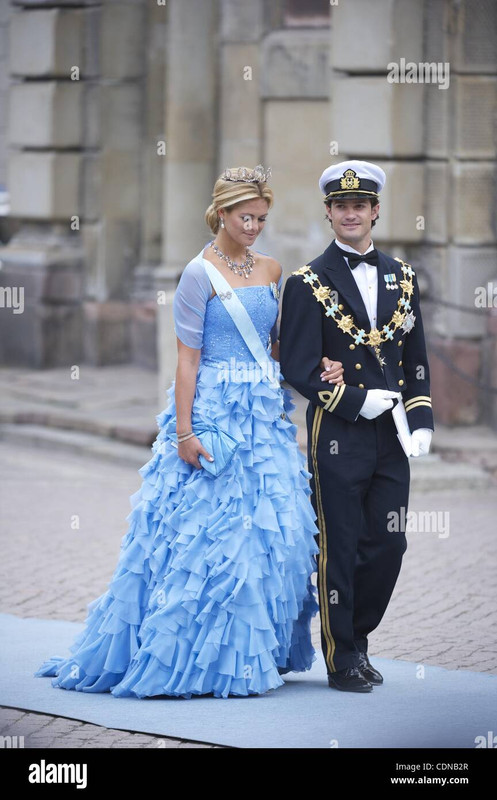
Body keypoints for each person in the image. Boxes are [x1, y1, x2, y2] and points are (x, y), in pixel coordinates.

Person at [35, 166, 342, 699]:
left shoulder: (272, 268)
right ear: (221, 213)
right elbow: (187, 360)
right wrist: (184, 432)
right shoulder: (197, 274)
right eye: (245, 217)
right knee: (211, 538)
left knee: (274, 533)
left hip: (264, 415)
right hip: (214, 411)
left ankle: (253, 653)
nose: (253, 227)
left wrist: (321, 367)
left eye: (262, 219)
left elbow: (274, 348)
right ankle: (196, 657)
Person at [279, 160, 434, 693]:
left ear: (374, 211)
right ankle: (341, 654)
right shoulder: (306, 283)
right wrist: (350, 400)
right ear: (328, 213)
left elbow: (415, 355)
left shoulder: (403, 276)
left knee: (388, 545)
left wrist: (421, 418)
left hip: (392, 433)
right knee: (340, 544)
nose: (351, 213)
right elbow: (297, 366)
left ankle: (359, 638)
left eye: (359, 206)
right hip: (339, 431)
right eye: (341, 206)